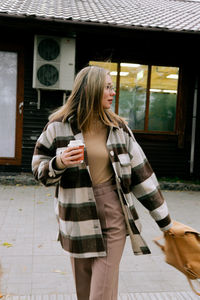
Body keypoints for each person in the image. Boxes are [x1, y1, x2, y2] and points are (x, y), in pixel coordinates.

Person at [32, 65, 172, 300]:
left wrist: (166, 222)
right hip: (76, 216)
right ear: (91, 89)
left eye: (112, 87)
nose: (113, 92)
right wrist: (59, 163)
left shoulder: (119, 129)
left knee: (102, 292)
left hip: (112, 212)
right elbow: (38, 169)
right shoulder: (58, 127)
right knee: (84, 291)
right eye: (108, 87)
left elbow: (143, 176)